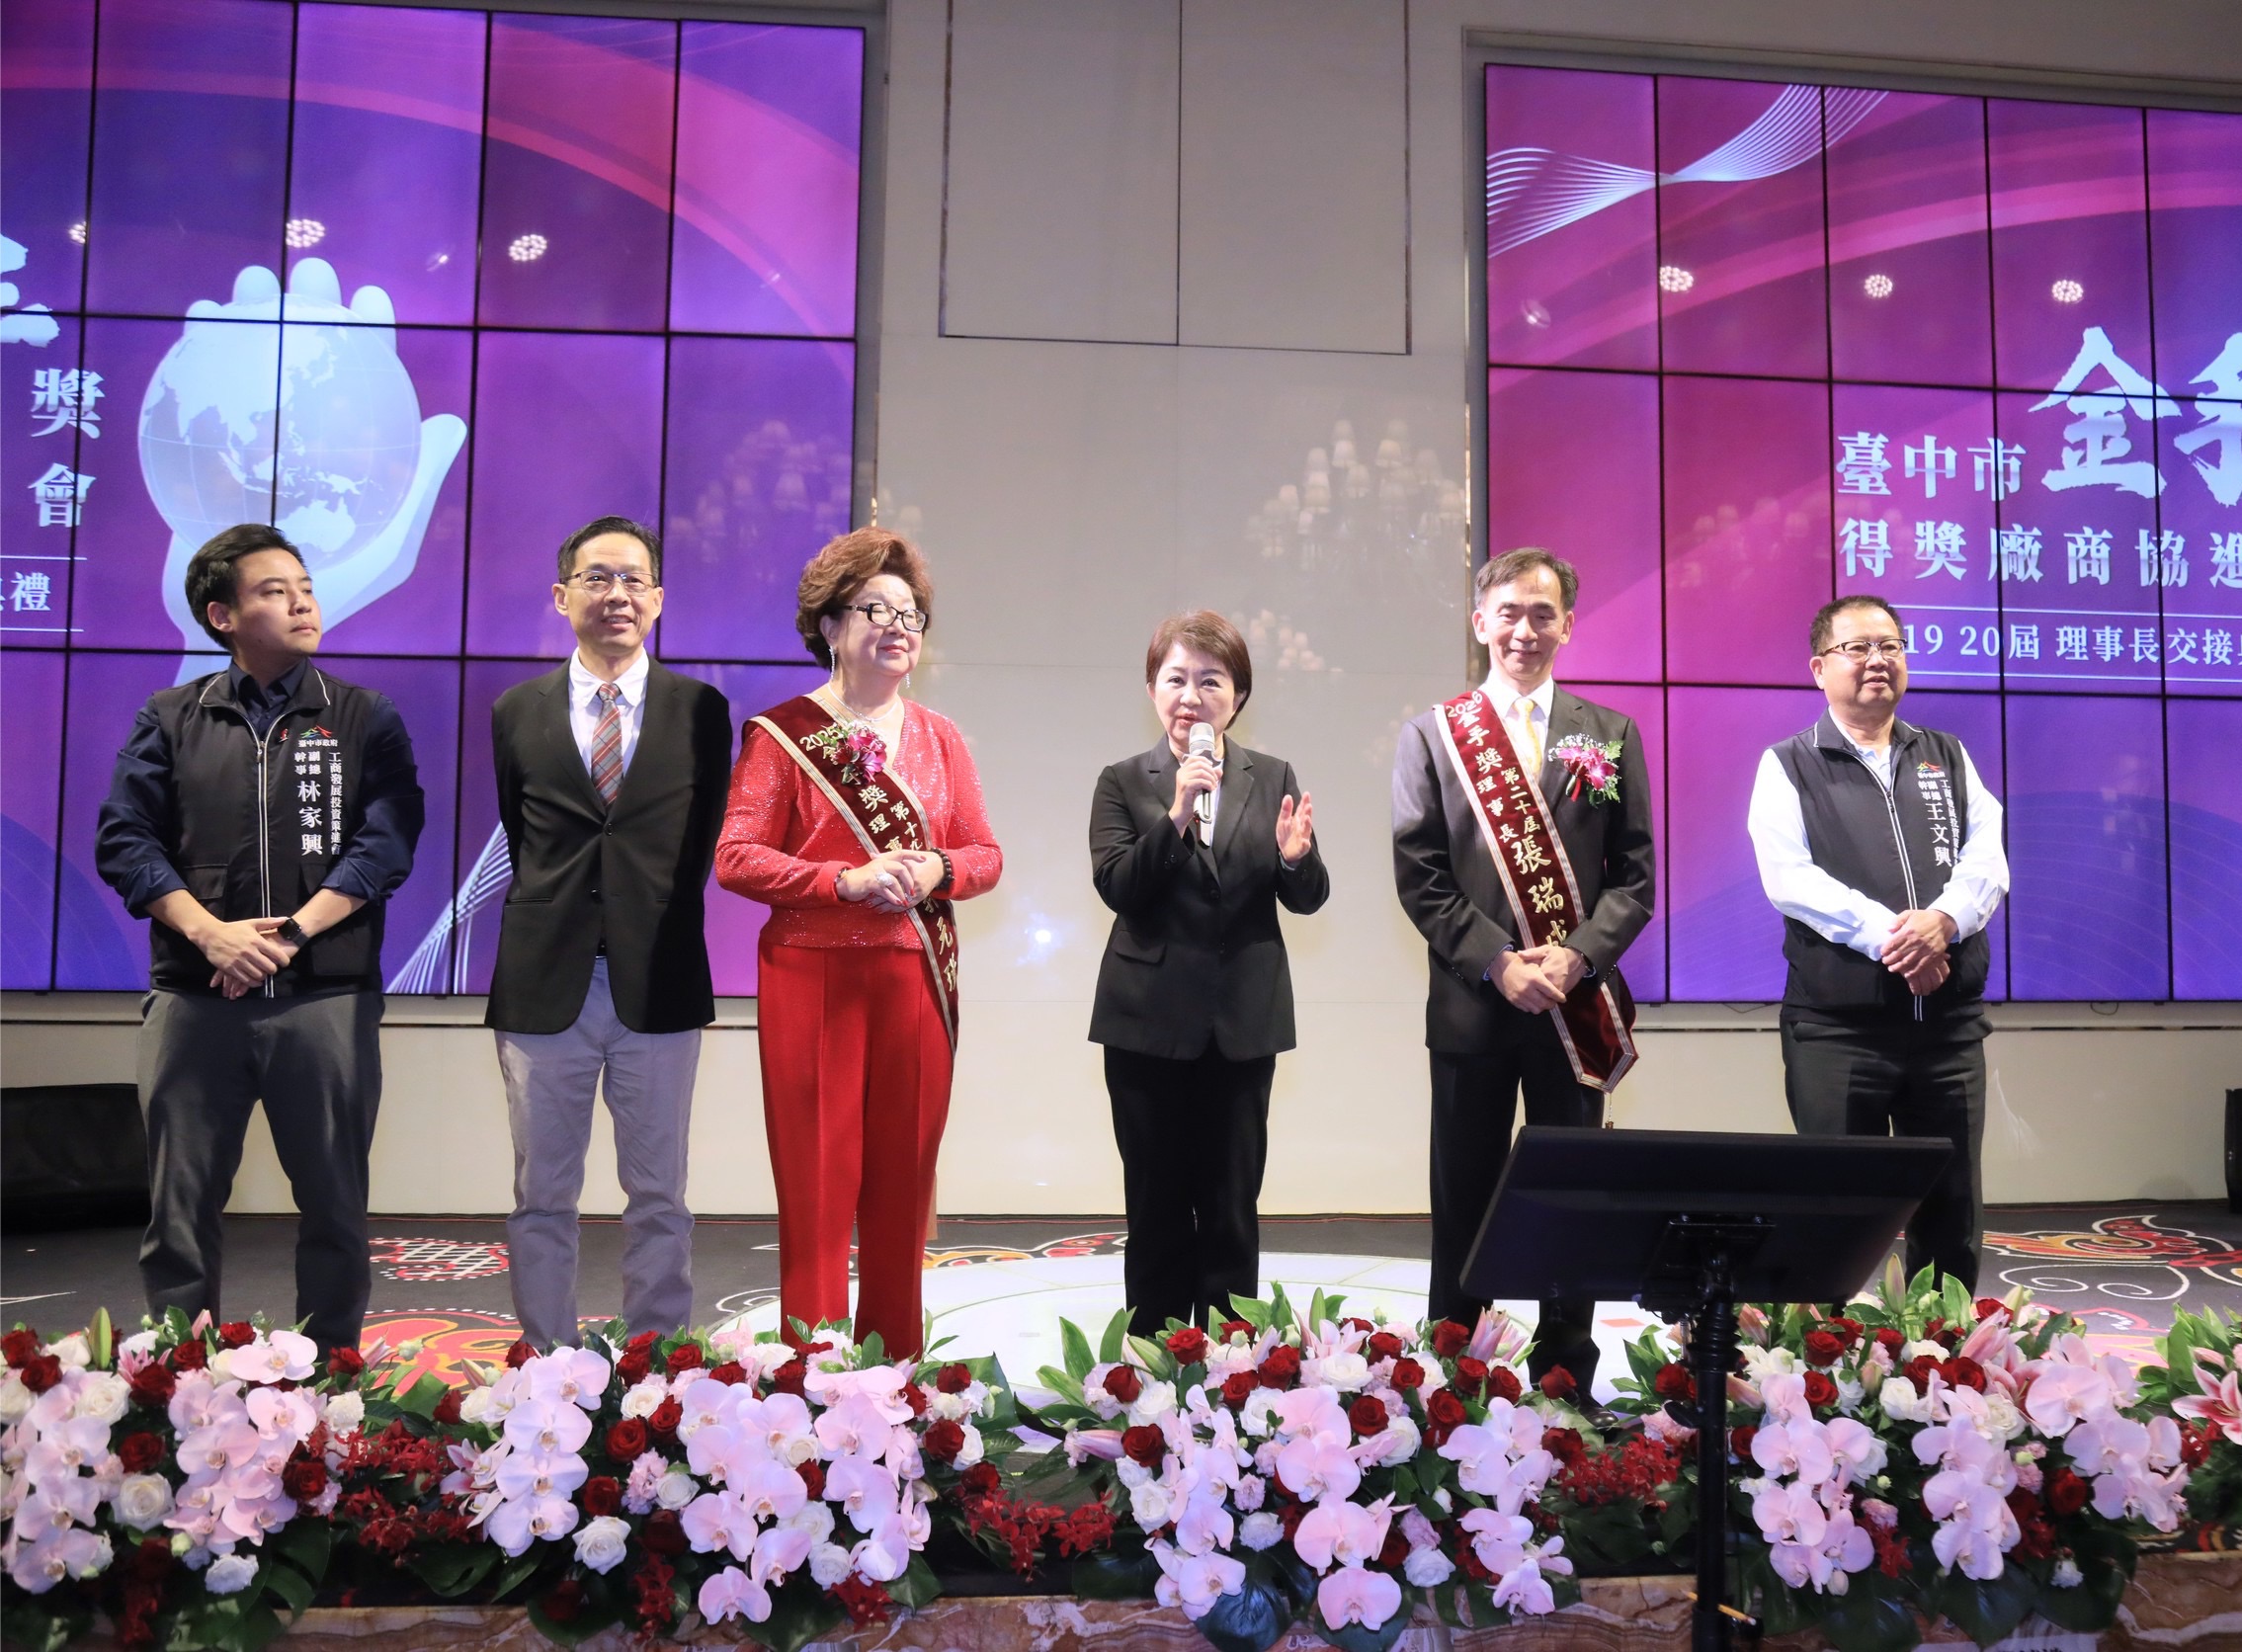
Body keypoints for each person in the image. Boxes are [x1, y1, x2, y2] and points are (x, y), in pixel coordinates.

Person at [95, 523, 425, 1356]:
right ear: (222, 616)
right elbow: (125, 841)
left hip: (325, 998)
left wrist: (291, 934)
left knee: (335, 1207)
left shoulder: (363, 716)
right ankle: (178, 1379)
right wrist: (210, 936)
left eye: (304, 587)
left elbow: (387, 842)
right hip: (195, 999)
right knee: (180, 1208)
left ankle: (332, 1384)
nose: (303, 602)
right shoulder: (172, 717)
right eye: (275, 591)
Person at [715, 528, 1001, 1357]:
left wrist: (937, 870)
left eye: (910, 614)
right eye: (876, 609)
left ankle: (895, 1369)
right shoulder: (781, 735)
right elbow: (736, 857)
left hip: (914, 981)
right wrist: (839, 881)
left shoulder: (941, 738)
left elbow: (984, 856)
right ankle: (809, 1375)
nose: (898, 626)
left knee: (902, 1185)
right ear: (830, 625)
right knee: (816, 1184)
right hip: (813, 980)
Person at [1391, 547, 1654, 1393]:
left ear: (1567, 626)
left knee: (1569, 1199)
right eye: (1507, 612)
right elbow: (1420, 876)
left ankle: (1564, 1375)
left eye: (1542, 614)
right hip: (1472, 1009)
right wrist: (1496, 963)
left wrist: (1576, 956)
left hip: (1571, 1011)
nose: (1524, 630)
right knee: (1462, 1198)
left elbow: (1634, 878)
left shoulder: (1607, 733)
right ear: (1480, 623)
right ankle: (1454, 1379)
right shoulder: (1433, 734)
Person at [485, 516, 733, 1349]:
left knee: (659, 1194)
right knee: (541, 1196)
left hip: (658, 980)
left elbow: (699, 842)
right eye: (597, 577)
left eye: (633, 579)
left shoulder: (700, 710)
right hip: (542, 982)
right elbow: (524, 833)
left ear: (657, 599)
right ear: (562, 597)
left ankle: (655, 1365)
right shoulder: (515, 710)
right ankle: (546, 1366)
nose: (616, 594)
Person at [1747, 594, 2008, 1290]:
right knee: (1833, 1209)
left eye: (1889, 646)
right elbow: (1789, 879)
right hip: (1839, 1032)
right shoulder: (1788, 764)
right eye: (1856, 647)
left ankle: (1941, 1348)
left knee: (1951, 1211)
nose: (1876, 660)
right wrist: (1897, 939)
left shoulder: (1945, 755)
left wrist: (1943, 922)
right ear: (1818, 668)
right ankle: (1821, 1354)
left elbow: (1988, 860)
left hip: (1947, 1029)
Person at [1089, 612, 1330, 1334]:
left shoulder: (1273, 776)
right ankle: (1154, 1363)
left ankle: (1233, 1364)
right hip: (1146, 1023)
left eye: (1210, 681)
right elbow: (1119, 887)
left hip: (1242, 1023)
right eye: (1175, 679)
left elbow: (1308, 898)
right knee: (1156, 1202)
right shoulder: (1122, 781)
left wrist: (1294, 858)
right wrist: (1176, 812)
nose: (1191, 696)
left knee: (1230, 1204)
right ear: (1151, 688)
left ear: (1238, 695)